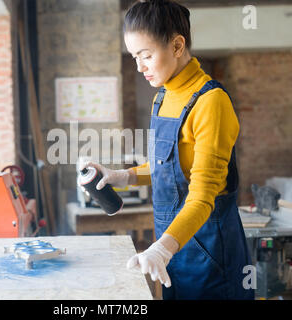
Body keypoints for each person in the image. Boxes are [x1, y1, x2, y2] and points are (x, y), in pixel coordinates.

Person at [79, 0, 254, 300]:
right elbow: (167, 165)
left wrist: (161, 248)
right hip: (173, 247)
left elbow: (202, 194)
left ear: (176, 46)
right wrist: (121, 176)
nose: (139, 66)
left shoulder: (211, 102)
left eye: (146, 55)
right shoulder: (162, 97)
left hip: (210, 251)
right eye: (135, 56)